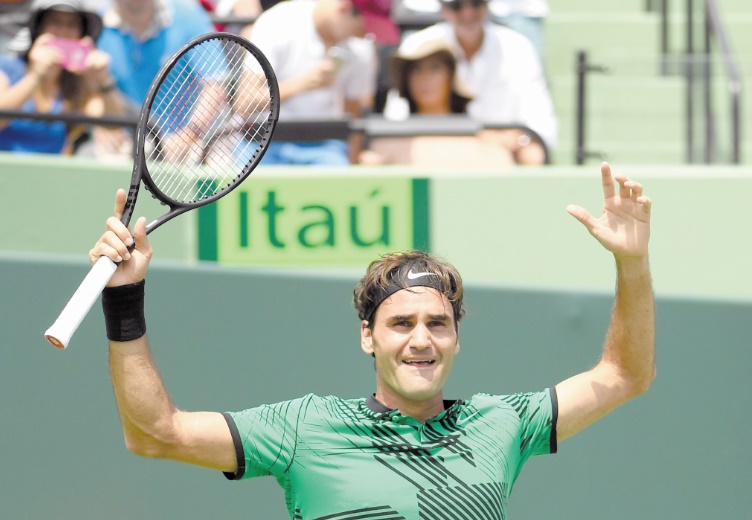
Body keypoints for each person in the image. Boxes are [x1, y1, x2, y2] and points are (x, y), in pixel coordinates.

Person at [90, 161, 655, 518]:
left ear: (457, 337)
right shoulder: (304, 428)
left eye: (437, 323)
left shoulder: (501, 423)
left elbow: (624, 375)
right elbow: (155, 434)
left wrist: (632, 262)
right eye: (401, 324)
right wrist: (123, 297)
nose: (420, 340)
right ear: (368, 337)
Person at [384, 0, 557, 163]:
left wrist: (517, 140)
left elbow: (539, 130)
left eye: (476, 3)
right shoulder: (419, 44)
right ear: (443, 9)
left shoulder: (518, 47)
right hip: (436, 145)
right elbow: (395, 121)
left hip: (500, 150)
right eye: (457, 5)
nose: (467, 13)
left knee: (532, 154)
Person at [239, 0, 398, 166]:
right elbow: (244, 103)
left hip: (325, 145)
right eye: (364, 28)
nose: (364, 35)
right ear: (344, 8)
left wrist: (354, 166)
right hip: (261, 141)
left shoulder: (362, 48)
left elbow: (353, 113)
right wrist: (301, 84)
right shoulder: (279, 22)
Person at [364, 35, 543, 166]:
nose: (425, 77)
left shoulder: (482, 135)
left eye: (435, 68)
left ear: (450, 77)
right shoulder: (390, 139)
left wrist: (520, 142)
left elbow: (532, 159)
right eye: (416, 69)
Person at [80, 0, 214, 158]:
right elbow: (84, 87)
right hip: (121, 142)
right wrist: (98, 123)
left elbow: (215, 84)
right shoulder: (95, 22)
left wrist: (190, 133)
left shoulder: (189, 15)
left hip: (179, 143)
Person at [0, 0, 124, 154]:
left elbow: (113, 124)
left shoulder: (74, 83)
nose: (63, 31)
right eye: (55, 22)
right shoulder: (8, 67)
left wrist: (103, 79)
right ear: (38, 28)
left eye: (72, 25)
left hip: (51, 174)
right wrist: (35, 76)